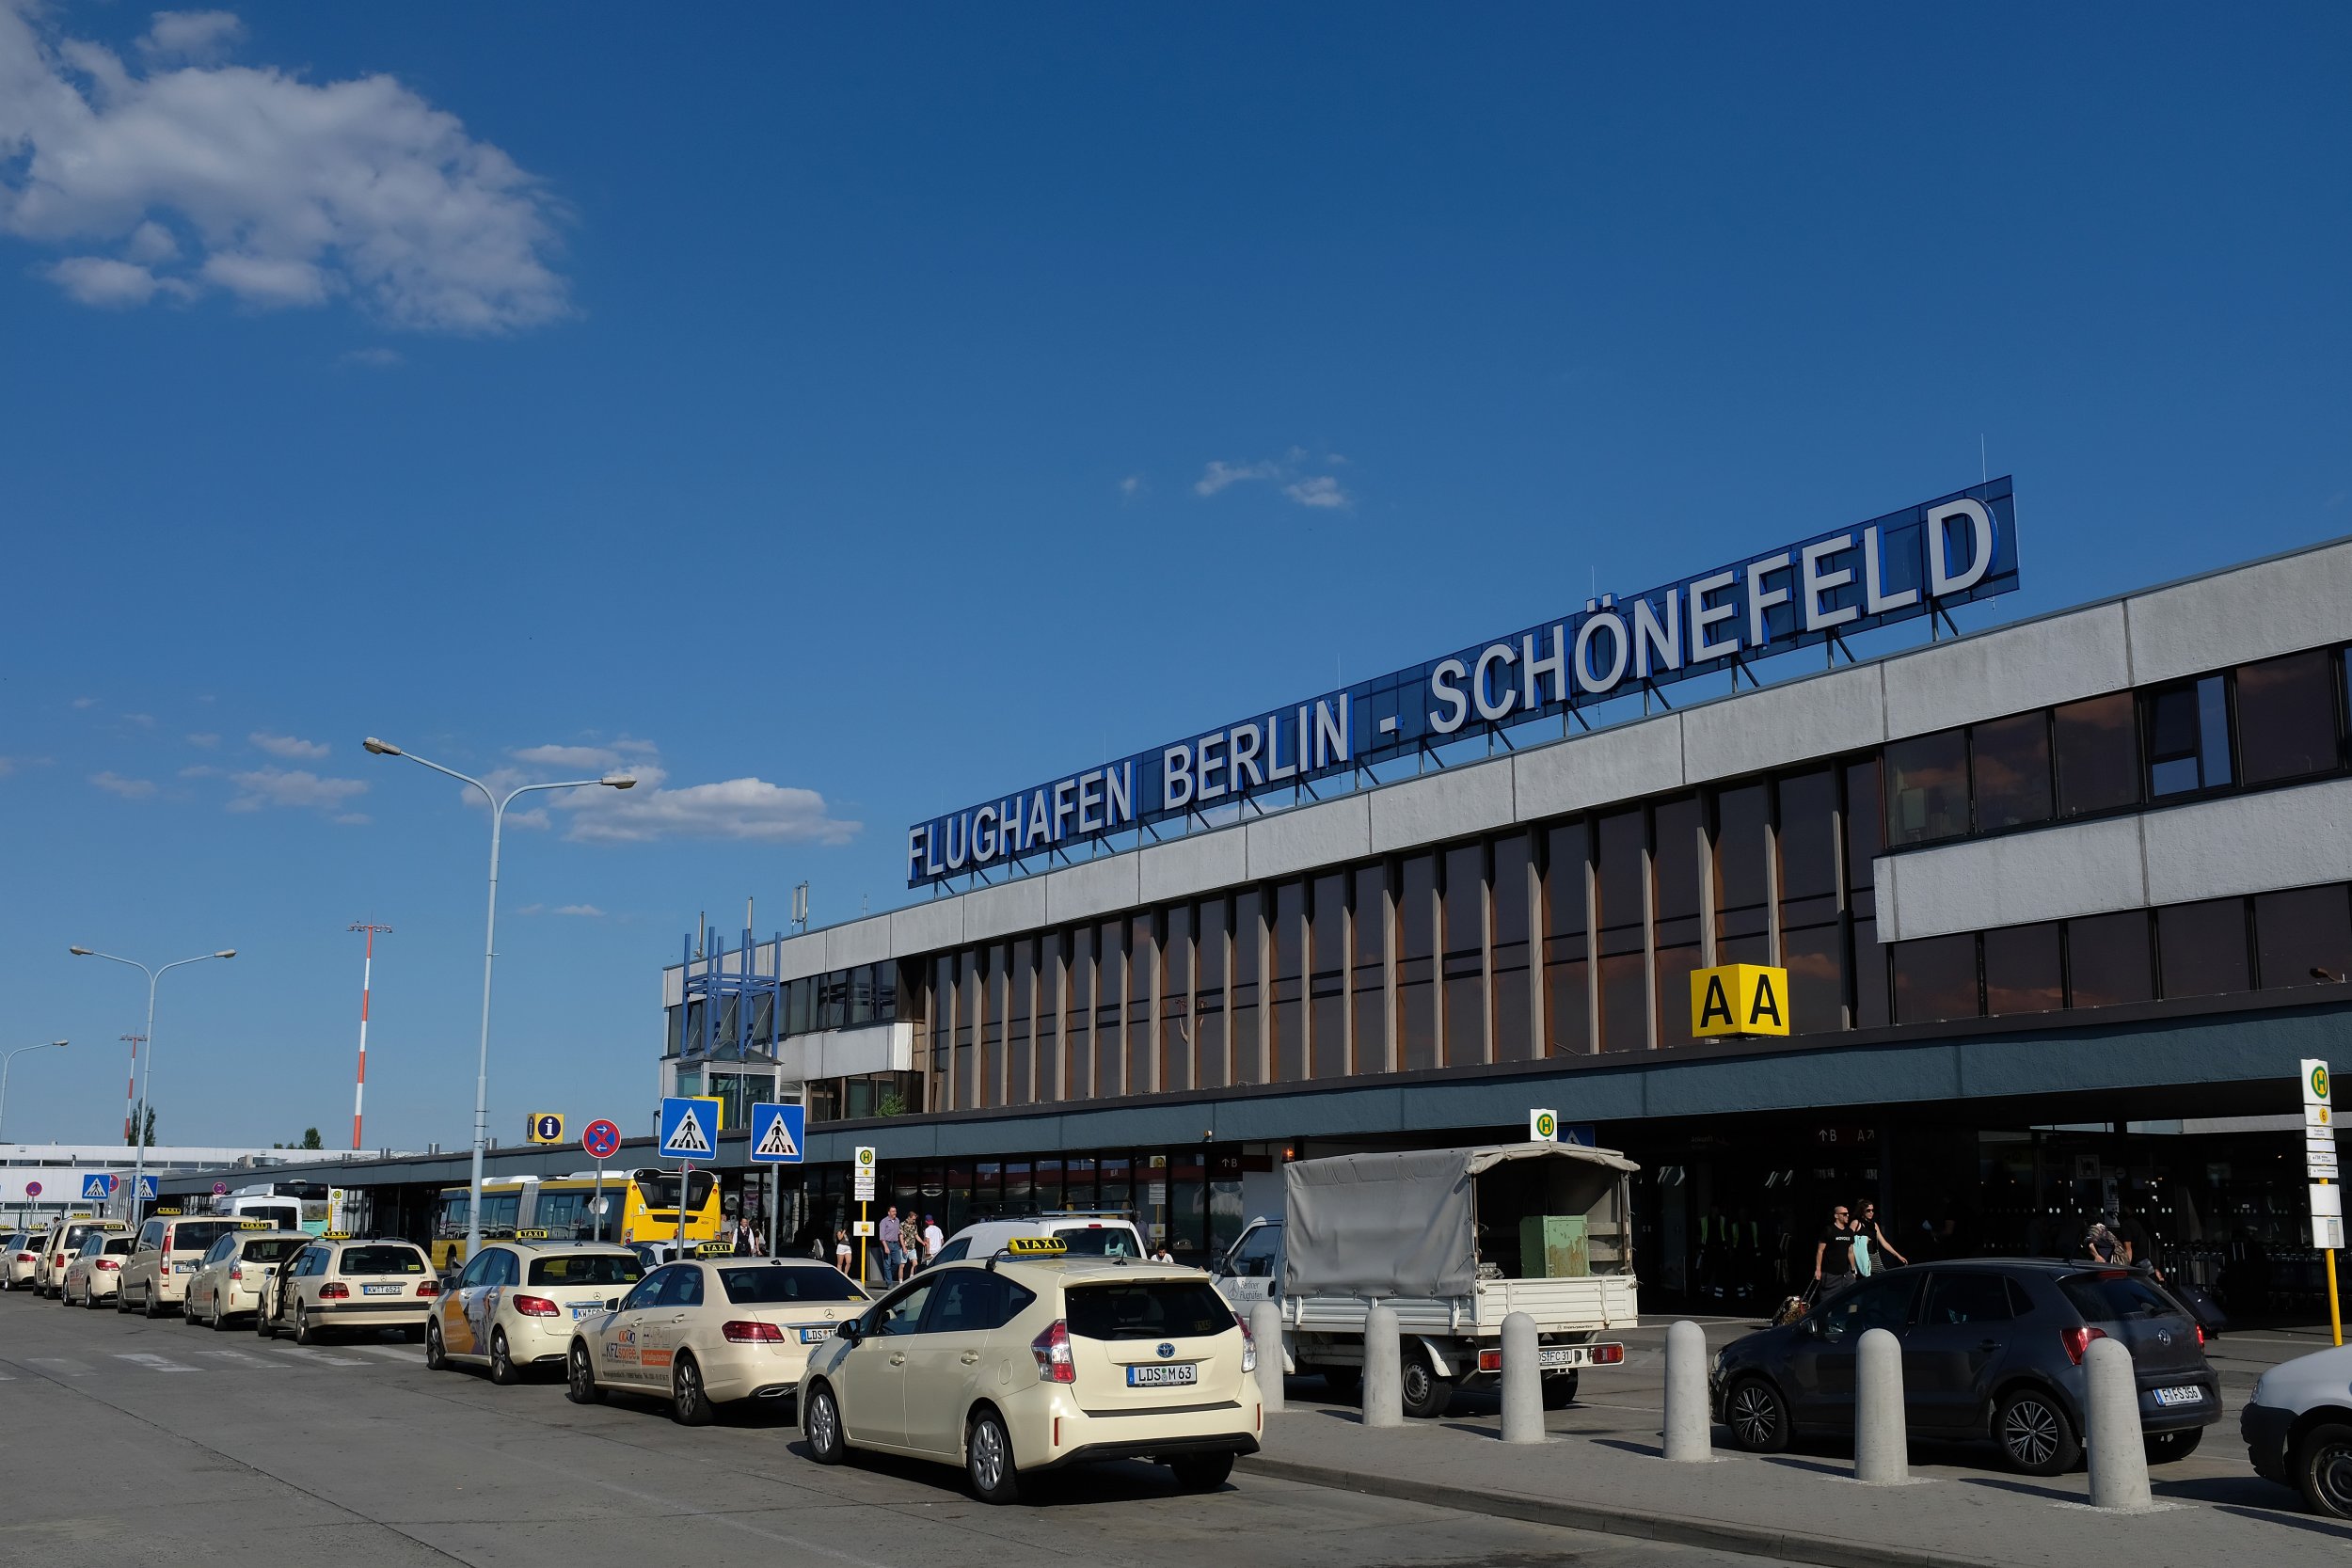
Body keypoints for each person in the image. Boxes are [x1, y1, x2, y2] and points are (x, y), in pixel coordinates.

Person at [1811, 1202, 1855, 1291]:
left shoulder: (1849, 1231)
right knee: (1828, 1300)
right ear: (1836, 1216)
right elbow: (1820, 1251)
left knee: (1853, 1299)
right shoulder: (1829, 1230)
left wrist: (1853, 1270)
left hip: (1846, 1274)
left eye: (1848, 1213)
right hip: (1830, 1275)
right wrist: (1818, 1270)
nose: (1847, 1215)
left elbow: (1850, 1252)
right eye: (1844, 1214)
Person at [1858, 1201, 1908, 1269]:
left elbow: (1883, 1242)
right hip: (1862, 1258)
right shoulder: (1856, 1223)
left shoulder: (1874, 1225)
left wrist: (1898, 1255)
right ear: (1862, 1211)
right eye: (1868, 1210)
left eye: (1873, 1210)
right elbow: (1850, 1242)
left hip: (1875, 1256)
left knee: (1880, 1275)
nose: (1871, 1212)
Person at [879, 1206, 903, 1283]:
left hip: (895, 1244)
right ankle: (889, 1282)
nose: (895, 1213)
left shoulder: (897, 1220)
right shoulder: (884, 1221)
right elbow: (882, 1236)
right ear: (889, 1213)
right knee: (887, 1264)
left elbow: (897, 1230)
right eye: (893, 1211)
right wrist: (885, 1247)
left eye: (895, 1211)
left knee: (898, 1262)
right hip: (886, 1243)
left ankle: (888, 1275)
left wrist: (900, 1232)